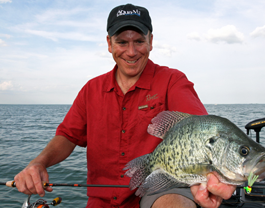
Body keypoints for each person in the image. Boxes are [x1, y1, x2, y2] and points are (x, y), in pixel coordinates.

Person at [14, 3, 236, 208]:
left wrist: (205, 177)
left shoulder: (172, 81)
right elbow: (67, 136)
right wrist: (38, 163)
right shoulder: (91, 89)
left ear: (151, 41)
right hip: (101, 199)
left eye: (139, 41)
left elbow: (201, 129)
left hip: (158, 189)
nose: (131, 52)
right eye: (122, 42)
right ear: (109, 44)